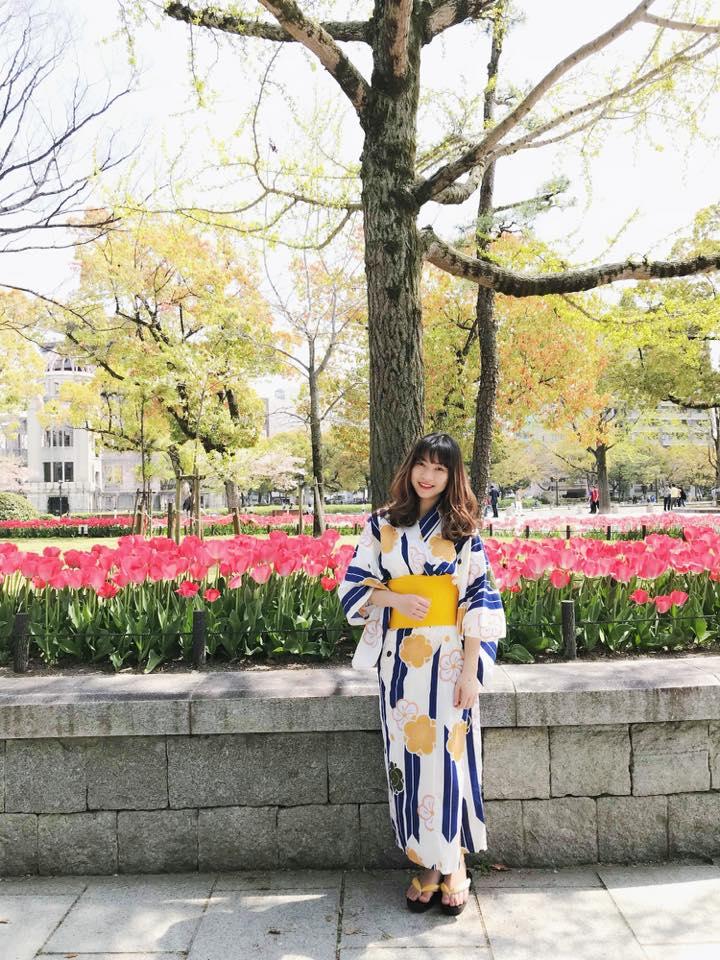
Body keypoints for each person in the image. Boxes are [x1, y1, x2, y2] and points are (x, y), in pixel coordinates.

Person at [337, 433, 506, 917]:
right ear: (410, 468)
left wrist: (471, 672)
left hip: (450, 660)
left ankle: (454, 862)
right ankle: (427, 863)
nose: (428, 476)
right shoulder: (383, 524)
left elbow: (477, 600)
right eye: (422, 465)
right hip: (401, 663)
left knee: (450, 760)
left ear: (452, 477)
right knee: (409, 760)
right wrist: (395, 598)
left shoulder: (463, 530)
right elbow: (353, 586)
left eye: (440, 469)